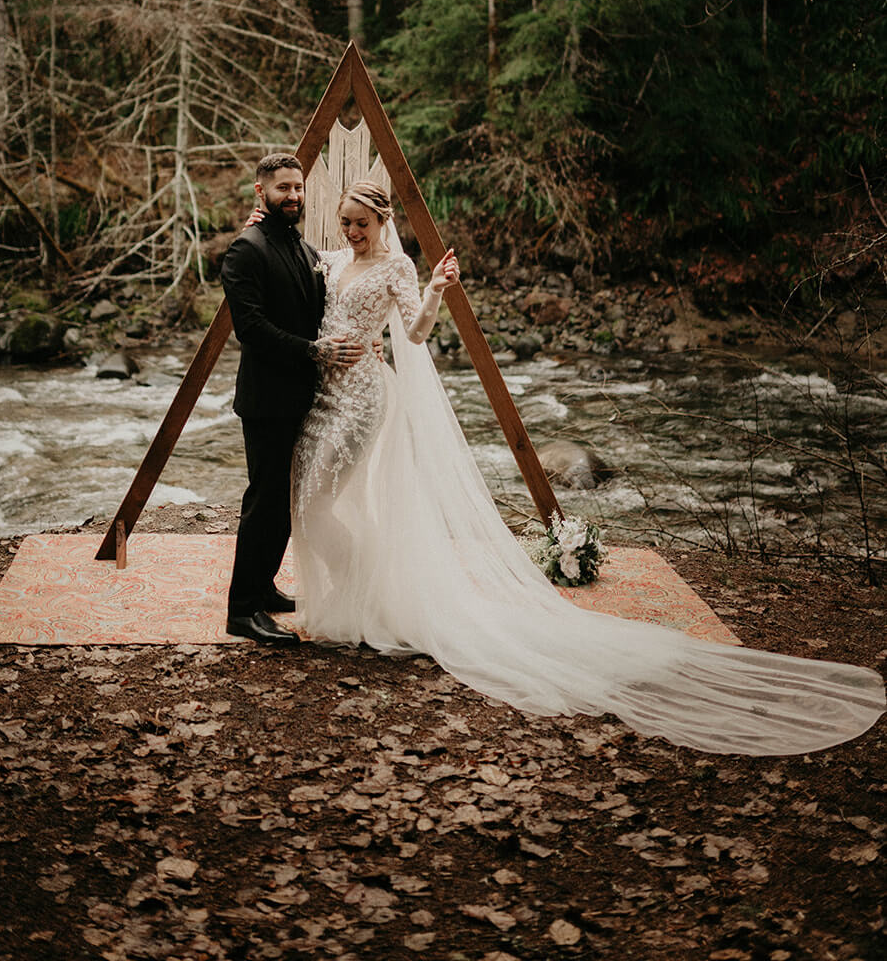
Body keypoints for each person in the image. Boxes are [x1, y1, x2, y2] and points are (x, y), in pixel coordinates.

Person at [289, 180, 885, 756]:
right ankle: (366, 586)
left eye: (361, 224)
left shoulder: (397, 268)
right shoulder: (332, 260)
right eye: (345, 223)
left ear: (383, 223)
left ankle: (368, 589)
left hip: (365, 396)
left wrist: (438, 291)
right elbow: (294, 271)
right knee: (312, 500)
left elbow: (415, 337)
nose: (352, 232)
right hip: (322, 394)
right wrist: (263, 227)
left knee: (316, 499)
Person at [220, 153, 367, 646]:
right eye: (283, 188)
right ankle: (241, 610)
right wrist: (313, 350)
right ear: (260, 192)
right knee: (264, 503)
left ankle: (263, 589)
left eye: (299, 188)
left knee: (285, 503)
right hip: (266, 401)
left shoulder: (300, 245)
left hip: (304, 398)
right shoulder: (246, 249)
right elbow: (251, 329)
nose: (294, 196)